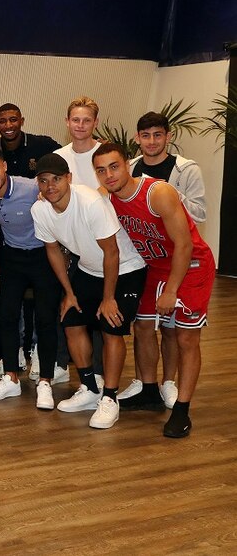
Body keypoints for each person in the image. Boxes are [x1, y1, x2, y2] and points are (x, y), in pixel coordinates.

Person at [93, 144, 215, 438]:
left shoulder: (157, 193)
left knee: (185, 336)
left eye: (114, 166)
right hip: (154, 266)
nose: (109, 175)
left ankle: (182, 410)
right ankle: (149, 390)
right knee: (144, 327)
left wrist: (172, 290)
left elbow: (184, 245)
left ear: (127, 165)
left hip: (192, 265)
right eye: (101, 170)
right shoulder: (106, 198)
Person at [30, 153, 147, 429]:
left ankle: (109, 398)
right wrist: (69, 292)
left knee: (110, 328)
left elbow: (112, 252)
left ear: (68, 178)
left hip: (125, 269)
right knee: (71, 321)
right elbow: (53, 251)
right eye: (44, 181)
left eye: (56, 179)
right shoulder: (41, 210)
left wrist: (108, 298)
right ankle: (90, 388)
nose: (50, 187)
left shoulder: (90, 202)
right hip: (87, 269)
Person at [118, 111, 208, 408]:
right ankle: (147, 385)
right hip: (149, 259)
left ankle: (169, 382)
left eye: (158, 135)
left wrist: (167, 198)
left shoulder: (185, 169)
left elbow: (201, 212)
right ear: (137, 139)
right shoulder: (128, 169)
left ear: (168, 136)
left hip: (182, 256)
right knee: (143, 326)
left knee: (171, 328)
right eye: (146, 136)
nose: (152, 141)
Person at [0, 145, 66, 409]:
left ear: (4, 166)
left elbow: (61, 206)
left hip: (43, 255)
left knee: (46, 319)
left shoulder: (30, 189)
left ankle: (45, 380)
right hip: (12, 256)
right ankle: (11, 377)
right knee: (7, 316)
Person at [0, 103, 62, 179]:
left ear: (22, 121)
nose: (8, 125)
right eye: (2, 121)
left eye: (13, 120)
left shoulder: (43, 144)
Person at [54, 96, 102, 189]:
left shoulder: (107, 155)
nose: (80, 125)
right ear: (67, 122)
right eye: (76, 120)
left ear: (95, 123)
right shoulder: (58, 157)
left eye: (87, 120)